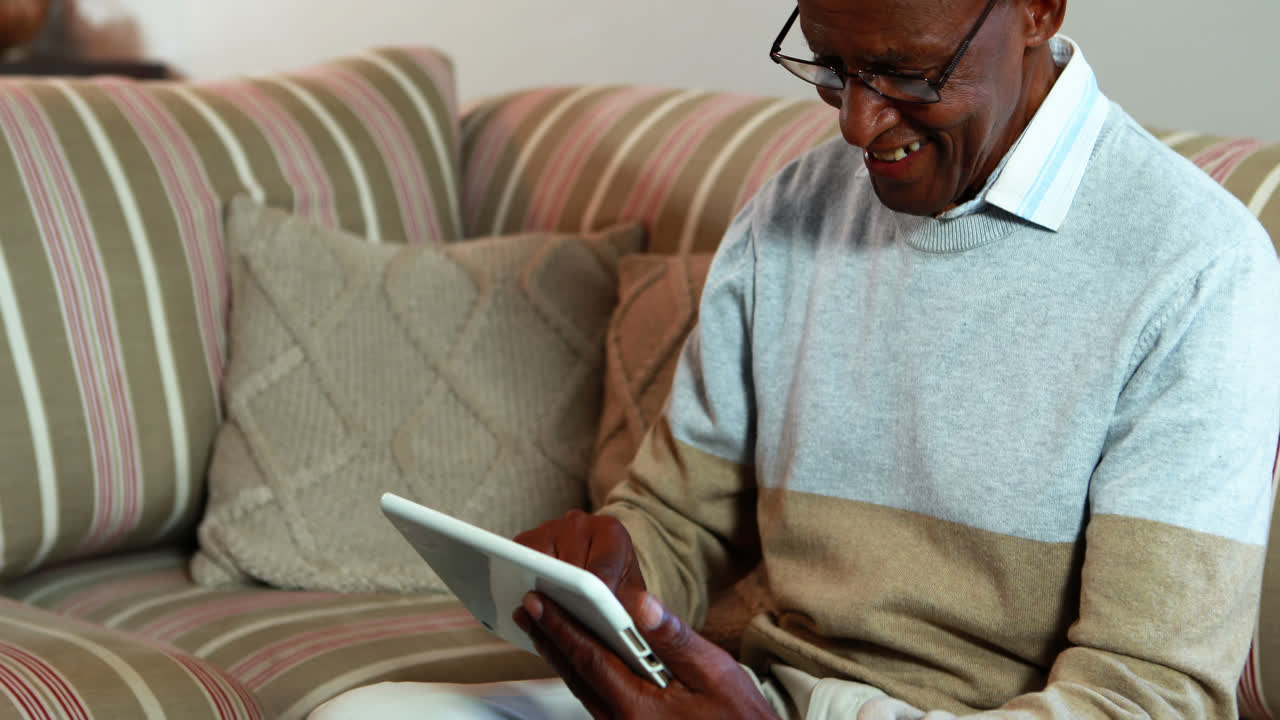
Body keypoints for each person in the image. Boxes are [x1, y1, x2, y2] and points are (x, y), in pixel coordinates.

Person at [311, 0, 1280, 717]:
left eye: (905, 74)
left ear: (1035, 10)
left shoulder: (1196, 271)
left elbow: (1146, 698)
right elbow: (677, 517)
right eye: (828, 67)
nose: (855, 127)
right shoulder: (791, 213)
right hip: (744, 695)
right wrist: (620, 568)